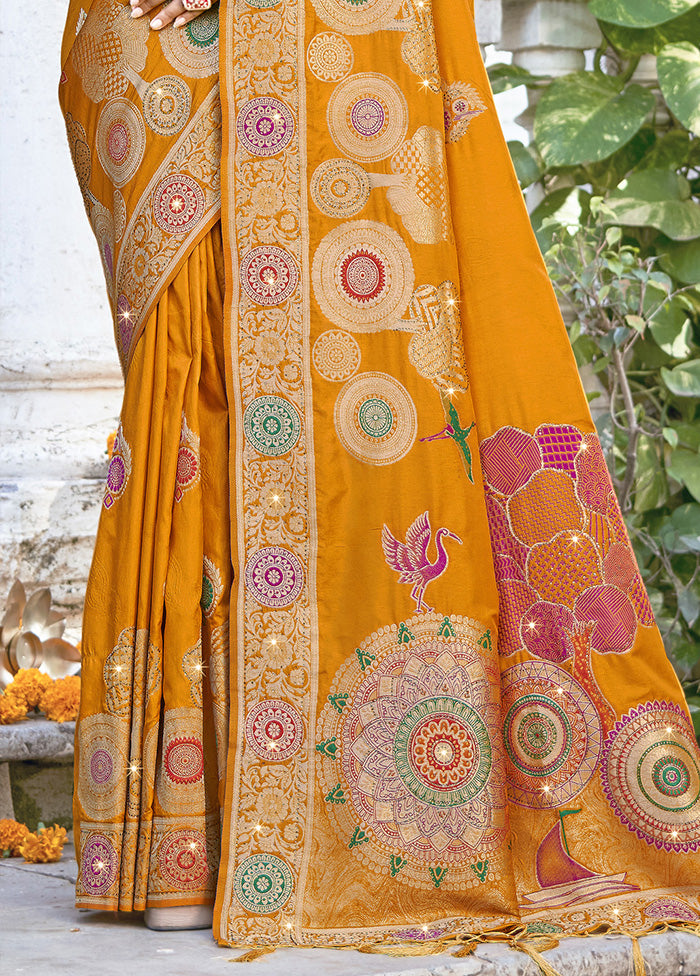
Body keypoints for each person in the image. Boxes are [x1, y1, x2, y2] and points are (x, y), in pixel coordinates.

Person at [59, 0, 700, 953]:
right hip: (159, 31)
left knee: (366, 379)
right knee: (191, 376)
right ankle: (185, 832)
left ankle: (260, 833)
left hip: (350, 31)